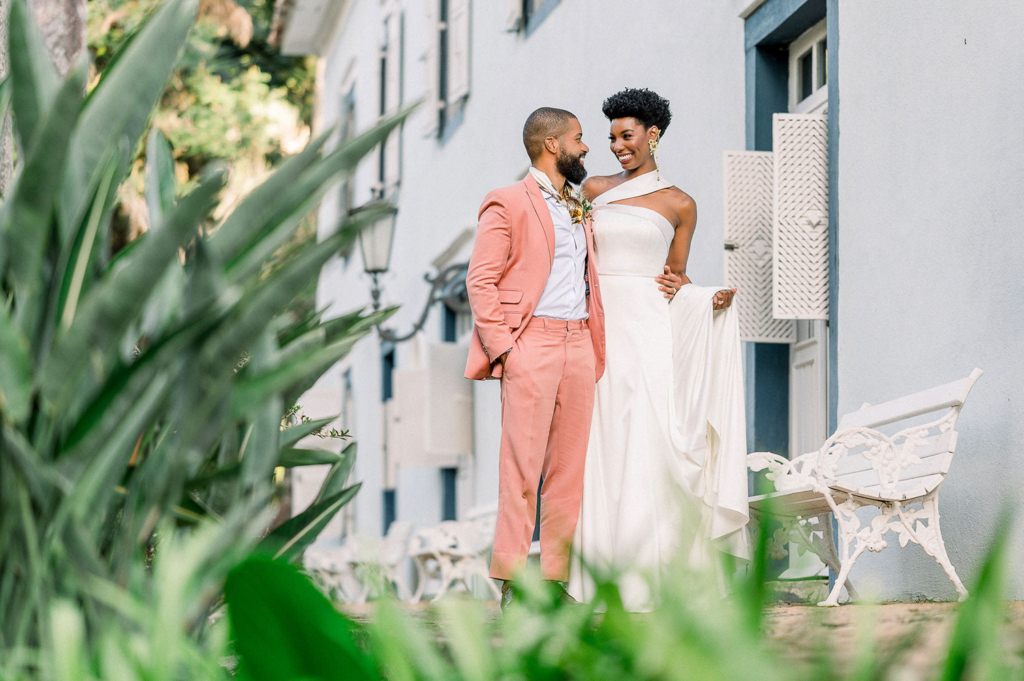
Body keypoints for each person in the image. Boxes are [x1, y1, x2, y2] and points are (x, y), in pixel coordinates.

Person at [464, 107, 681, 612]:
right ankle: (514, 581)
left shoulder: (578, 203)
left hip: (582, 342)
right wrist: (506, 349)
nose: (588, 149)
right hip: (531, 344)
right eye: (580, 139)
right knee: (521, 469)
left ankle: (557, 581)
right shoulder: (507, 201)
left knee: (568, 471)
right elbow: (480, 281)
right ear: (552, 145)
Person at [567, 88, 750, 610]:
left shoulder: (680, 204)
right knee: (602, 442)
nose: (617, 146)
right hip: (598, 325)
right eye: (610, 138)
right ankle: (602, 575)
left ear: (653, 134)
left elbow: (676, 279)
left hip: (648, 332)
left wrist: (705, 299)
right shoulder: (593, 190)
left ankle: (658, 579)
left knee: (650, 442)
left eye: (627, 136)